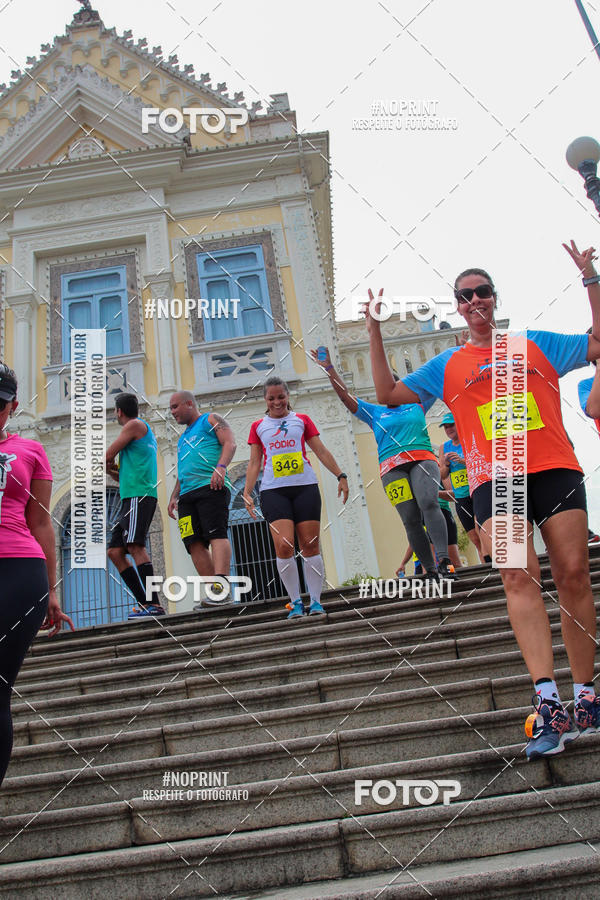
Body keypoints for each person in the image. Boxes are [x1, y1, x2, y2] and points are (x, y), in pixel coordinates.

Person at [363, 240, 600, 759]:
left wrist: (590, 280)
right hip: (499, 480)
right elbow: (387, 394)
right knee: (518, 576)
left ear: (494, 298)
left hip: (555, 468)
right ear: (457, 306)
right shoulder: (448, 364)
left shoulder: (534, 343)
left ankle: (586, 694)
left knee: (574, 574)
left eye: (482, 292)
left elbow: (597, 343)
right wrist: (375, 330)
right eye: (465, 295)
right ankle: (547, 700)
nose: (475, 301)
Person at [311, 347, 456, 580]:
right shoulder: (374, 412)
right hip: (391, 468)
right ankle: (429, 569)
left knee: (428, 503)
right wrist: (329, 368)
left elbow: (442, 382)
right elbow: (345, 396)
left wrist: (457, 355)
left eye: (394, 387)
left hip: (422, 459)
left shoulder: (417, 404)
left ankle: (445, 561)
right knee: (410, 519)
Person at [0, 362, 74, 786]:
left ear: (11, 407)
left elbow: (42, 521)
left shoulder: (29, 451)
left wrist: (52, 589)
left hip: (18, 570)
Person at [243, 376, 348, 619]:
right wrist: (247, 492)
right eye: (272, 398)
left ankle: (316, 601)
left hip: (305, 487)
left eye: (281, 397)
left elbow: (320, 450)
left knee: (310, 544)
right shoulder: (258, 426)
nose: (277, 402)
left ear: (288, 396)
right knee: (284, 544)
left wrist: (340, 475)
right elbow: (254, 461)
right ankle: (295, 602)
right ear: (265, 400)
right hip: (273, 490)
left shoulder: (301, 420)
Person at [168, 391, 236, 608]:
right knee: (193, 543)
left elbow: (230, 443)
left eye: (175, 406)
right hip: (187, 496)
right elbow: (183, 469)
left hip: (211, 488)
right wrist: (174, 495)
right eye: (171, 408)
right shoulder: (182, 438)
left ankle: (223, 590)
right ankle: (215, 594)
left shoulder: (210, 419)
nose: (173, 412)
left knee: (216, 534)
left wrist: (221, 468)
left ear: (189, 403)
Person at [106, 393, 163, 619]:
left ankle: (155, 604)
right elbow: (118, 475)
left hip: (140, 495)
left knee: (135, 546)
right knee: (115, 552)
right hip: (131, 495)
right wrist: (110, 469)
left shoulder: (134, 425)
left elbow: (108, 454)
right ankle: (145, 603)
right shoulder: (139, 432)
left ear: (119, 411)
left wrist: (106, 462)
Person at [438, 412, 488, 563]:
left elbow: (481, 463)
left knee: (482, 532)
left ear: (458, 424)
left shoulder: (469, 440)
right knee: (475, 539)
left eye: (451, 425)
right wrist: (446, 464)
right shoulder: (443, 448)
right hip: (461, 497)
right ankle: (485, 567)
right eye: (445, 427)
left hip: (476, 492)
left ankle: (494, 565)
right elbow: (443, 475)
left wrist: (461, 461)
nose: (449, 429)